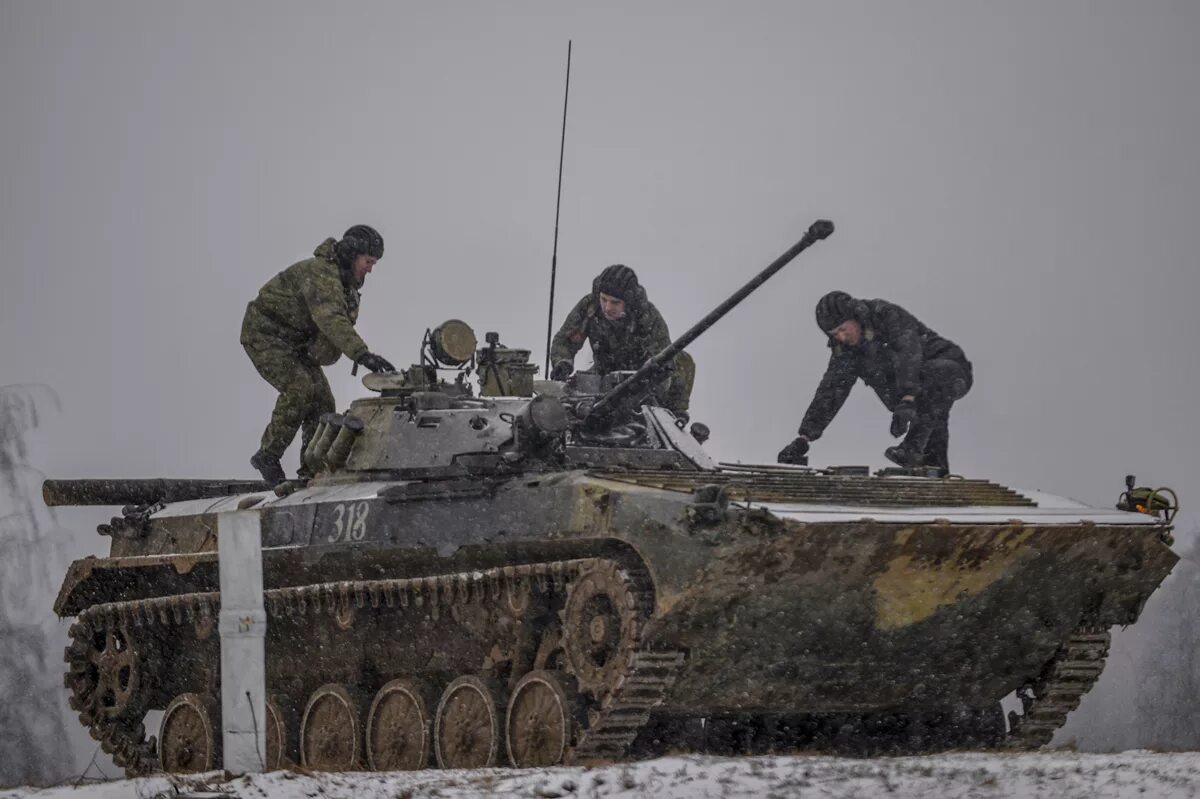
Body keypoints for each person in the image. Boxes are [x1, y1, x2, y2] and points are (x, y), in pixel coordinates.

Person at [241, 225, 397, 484]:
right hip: (267, 335)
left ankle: (311, 470)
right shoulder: (320, 274)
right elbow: (331, 320)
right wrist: (362, 355)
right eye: (368, 262)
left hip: (296, 345)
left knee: (323, 403)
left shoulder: (346, 284)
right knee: (300, 388)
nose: (370, 269)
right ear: (351, 254)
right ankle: (268, 455)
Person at [777, 290, 972, 473]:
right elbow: (831, 392)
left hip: (949, 370)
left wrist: (908, 396)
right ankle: (933, 467)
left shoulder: (885, 316)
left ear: (855, 318)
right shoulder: (845, 353)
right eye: (835, 334)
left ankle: (913, 449)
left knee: (935, 381)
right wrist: (805, 437)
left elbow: (908, 351)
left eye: (843, 329)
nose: (842, 337)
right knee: (932, 415)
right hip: (907, 391)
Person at [549, 264, 694, 418]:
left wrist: (643, 390)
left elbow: (664, 365)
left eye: (615, 302)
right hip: (601, 376)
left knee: (682, 360)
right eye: (604, 299)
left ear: (628, 302)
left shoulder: (647, 317)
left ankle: (674, 414)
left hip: (639, 381)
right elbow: (565, 340)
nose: (607, 307)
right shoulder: (590, 306)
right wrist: (563, 363)